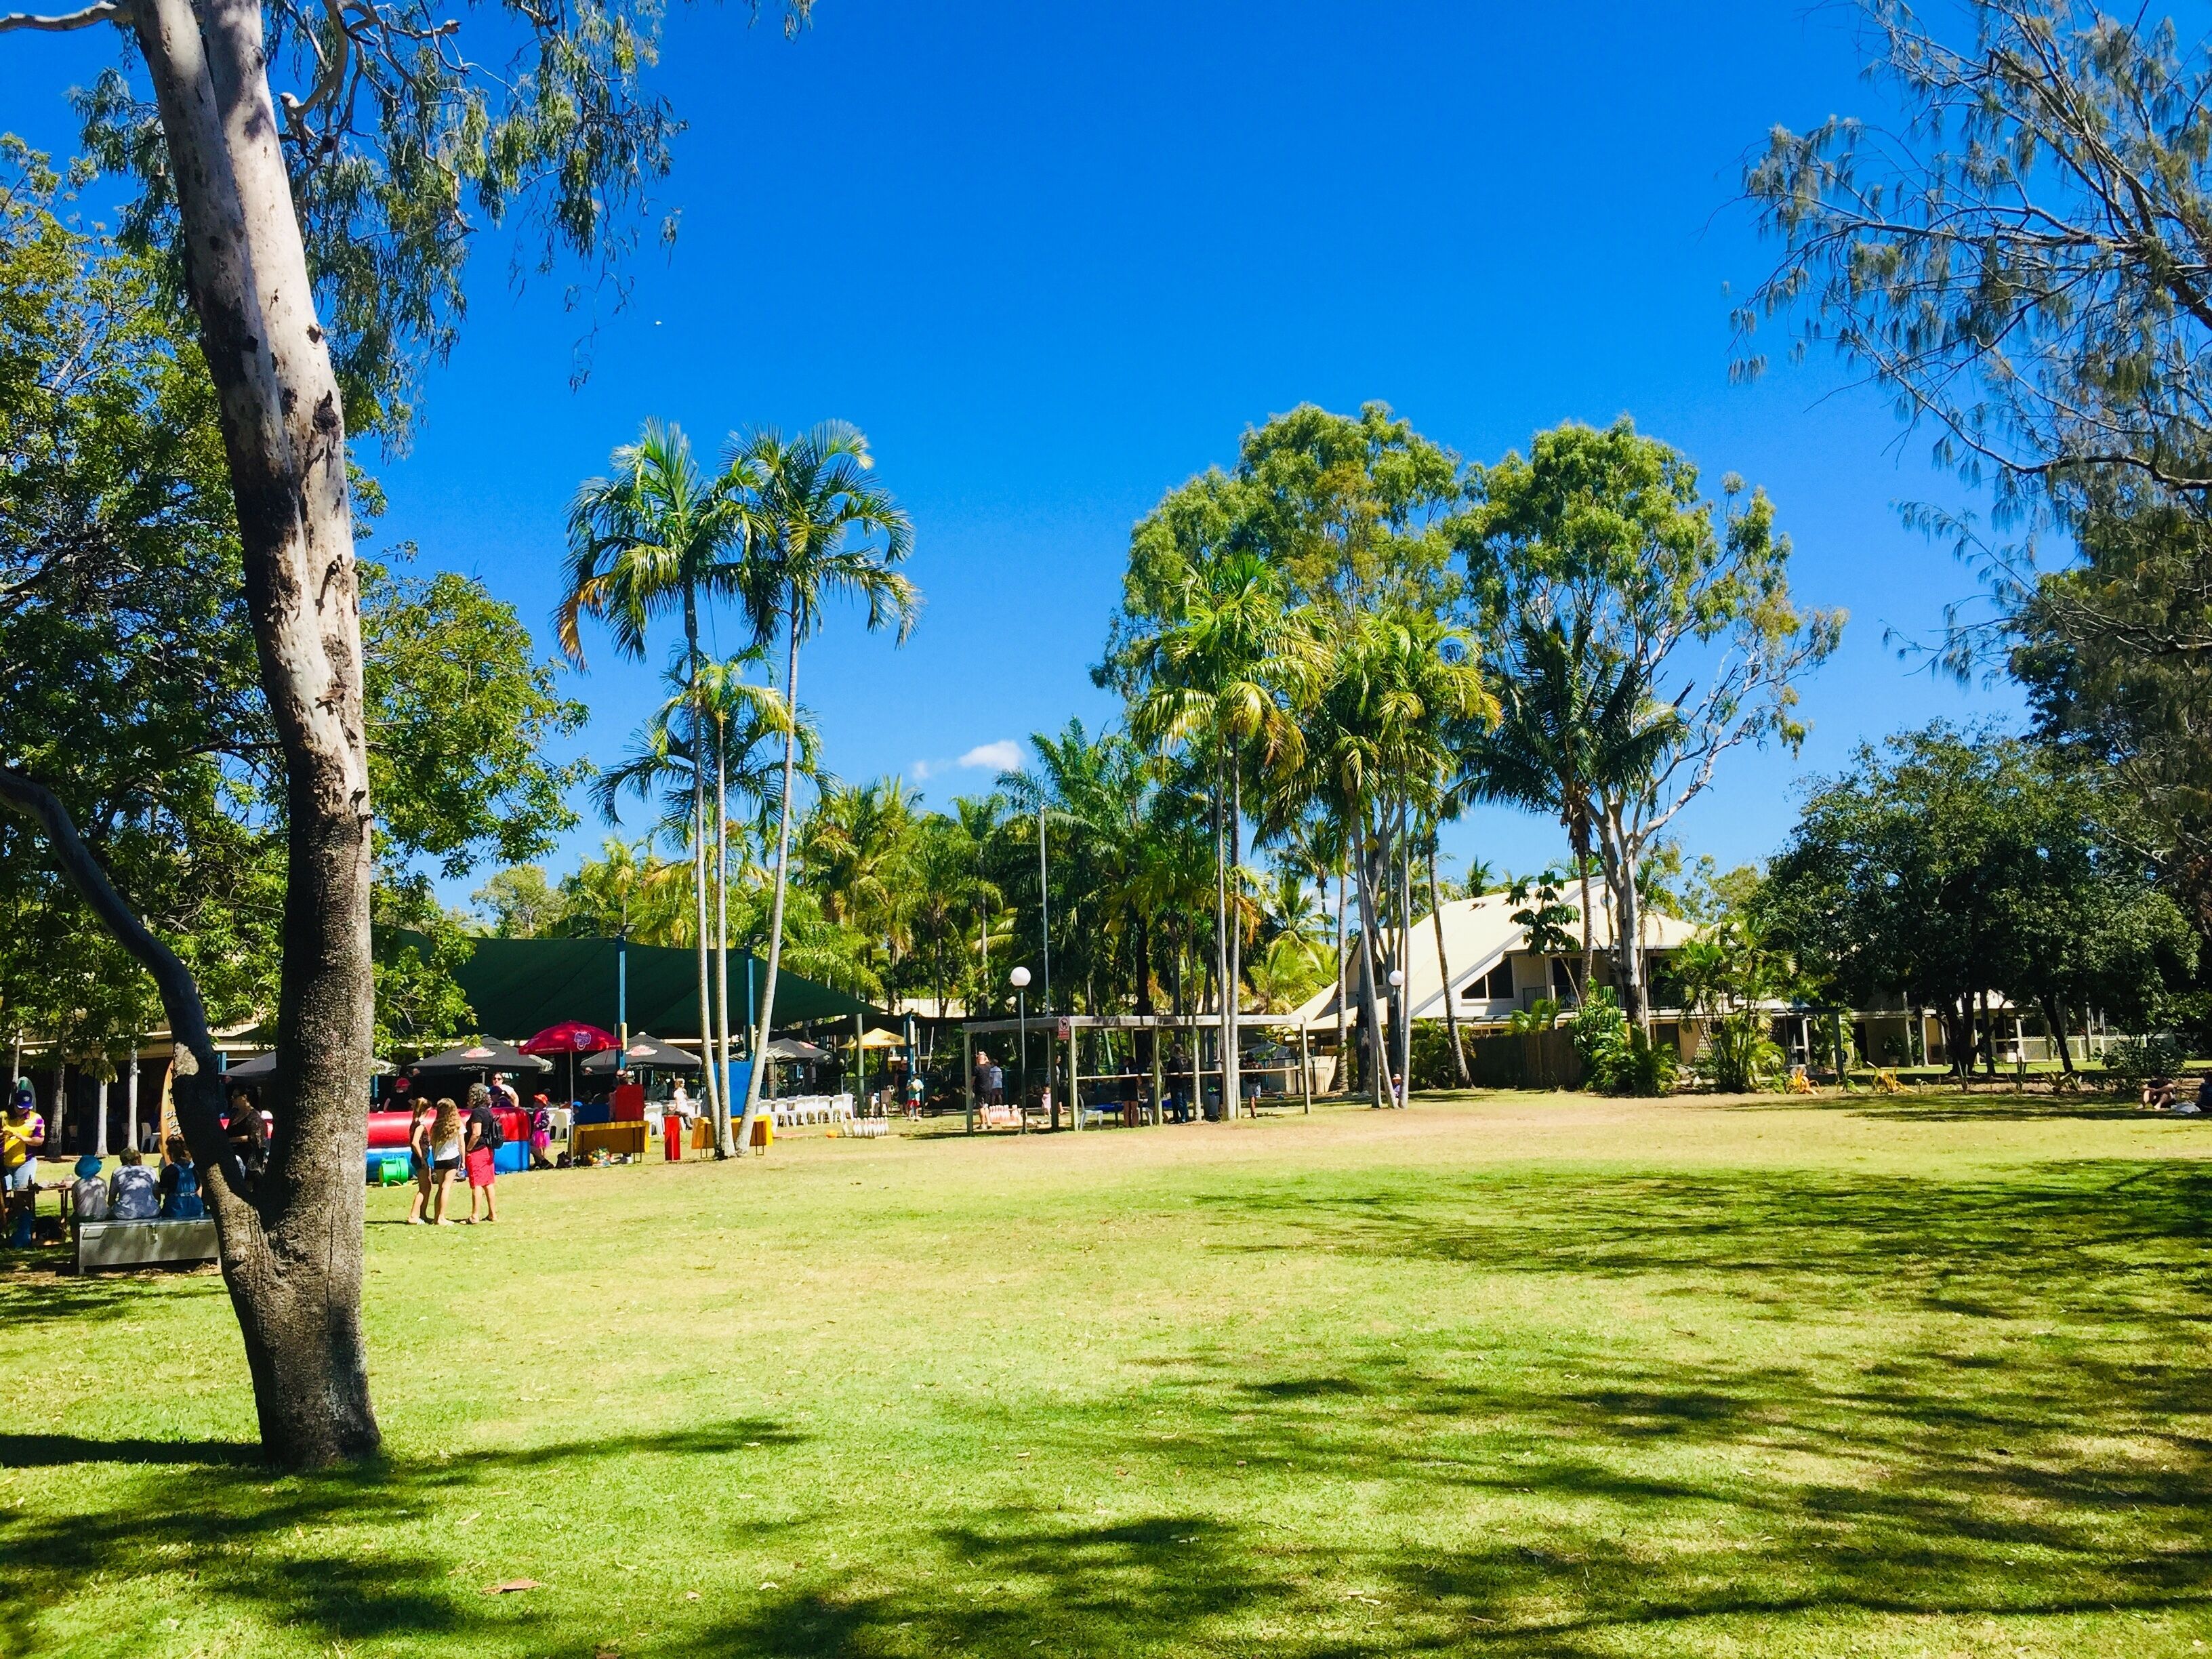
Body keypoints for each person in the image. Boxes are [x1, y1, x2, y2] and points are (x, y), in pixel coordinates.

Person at [3, 1086, 46, 1236]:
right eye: (20, 1107)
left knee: (21, 1198)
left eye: (26, 1108)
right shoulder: (3, 1116)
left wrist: (25, 1139)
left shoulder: (36, 1118)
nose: (23, 1111)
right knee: (5, 1199)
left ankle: (22, 1232)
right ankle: (6, 1227)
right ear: (14, 1104)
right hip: (4, 1162)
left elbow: (39, 1140)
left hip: (25, 1162)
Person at [464, 1082, 499, 1223]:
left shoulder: (477, 1112)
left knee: (477, 1183)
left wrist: (468, 1149)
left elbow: (476, 1133)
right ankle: (493, 1214)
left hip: (477, 1150)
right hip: (488, 1150)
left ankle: (475, 1215)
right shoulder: (488, 1111)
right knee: (488, 1183)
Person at [226, 1084, 268, 1187]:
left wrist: (231, 1140)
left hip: (248, 1161)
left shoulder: (255, 1117)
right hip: (231, 1157)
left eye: (235, 1096)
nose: (232, 1099)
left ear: (244, 1097)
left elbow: (256, 1139)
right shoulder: (234, 1114)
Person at [428, 1098, 463, 1223]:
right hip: (452, 1158)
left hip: (439, 1159)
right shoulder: (458, 1124)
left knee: (441, 1188)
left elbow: (432, 1143)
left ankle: (437, 1216)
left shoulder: (435, 1126)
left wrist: (435, 1157)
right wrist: (463, 1160)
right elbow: (461, 1144)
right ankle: (441, 1217)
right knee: (446, 1187)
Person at [159, 1134, 205, 1219]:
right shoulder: (196, 1168)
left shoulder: (168, 1171)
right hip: (195, 1208)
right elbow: (199, 1189)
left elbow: (164, 1191)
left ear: (171, 1154)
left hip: (176, 1209)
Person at [405, 1099, 436, 1224]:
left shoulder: (414, 1123)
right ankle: (413, 1216)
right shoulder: (420, 1125)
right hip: (420, 1158)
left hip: (421, 1158)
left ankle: (423, 1214)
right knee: (423, 1188)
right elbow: (415, 1142)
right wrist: (422, 1159)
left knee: (428, 1186)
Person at [109, 1145, 159, 1220]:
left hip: (125, 1214)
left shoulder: (118, 1172)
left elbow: (111, 1199)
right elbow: (157, 1196)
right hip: (151, 1212)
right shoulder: (150, 1170)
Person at [71, 1153, 109, 1221]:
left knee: (73, 1218)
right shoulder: (102, 1182)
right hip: (103, 1216)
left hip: (85, 1217)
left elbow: (76, 1206)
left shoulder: (77, 1185)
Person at [528, 1093, 555, 1170]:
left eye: (539, 1102)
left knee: (542, 1147)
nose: (537, 1103)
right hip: (536, 1132)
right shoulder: (536, 1111)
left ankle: (543, 1161)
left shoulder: (545, 1112)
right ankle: (538, 1161)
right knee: (536, 1147)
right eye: (536, 1102)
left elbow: (547, 1121)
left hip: (542, 1132)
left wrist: (539, 1125)